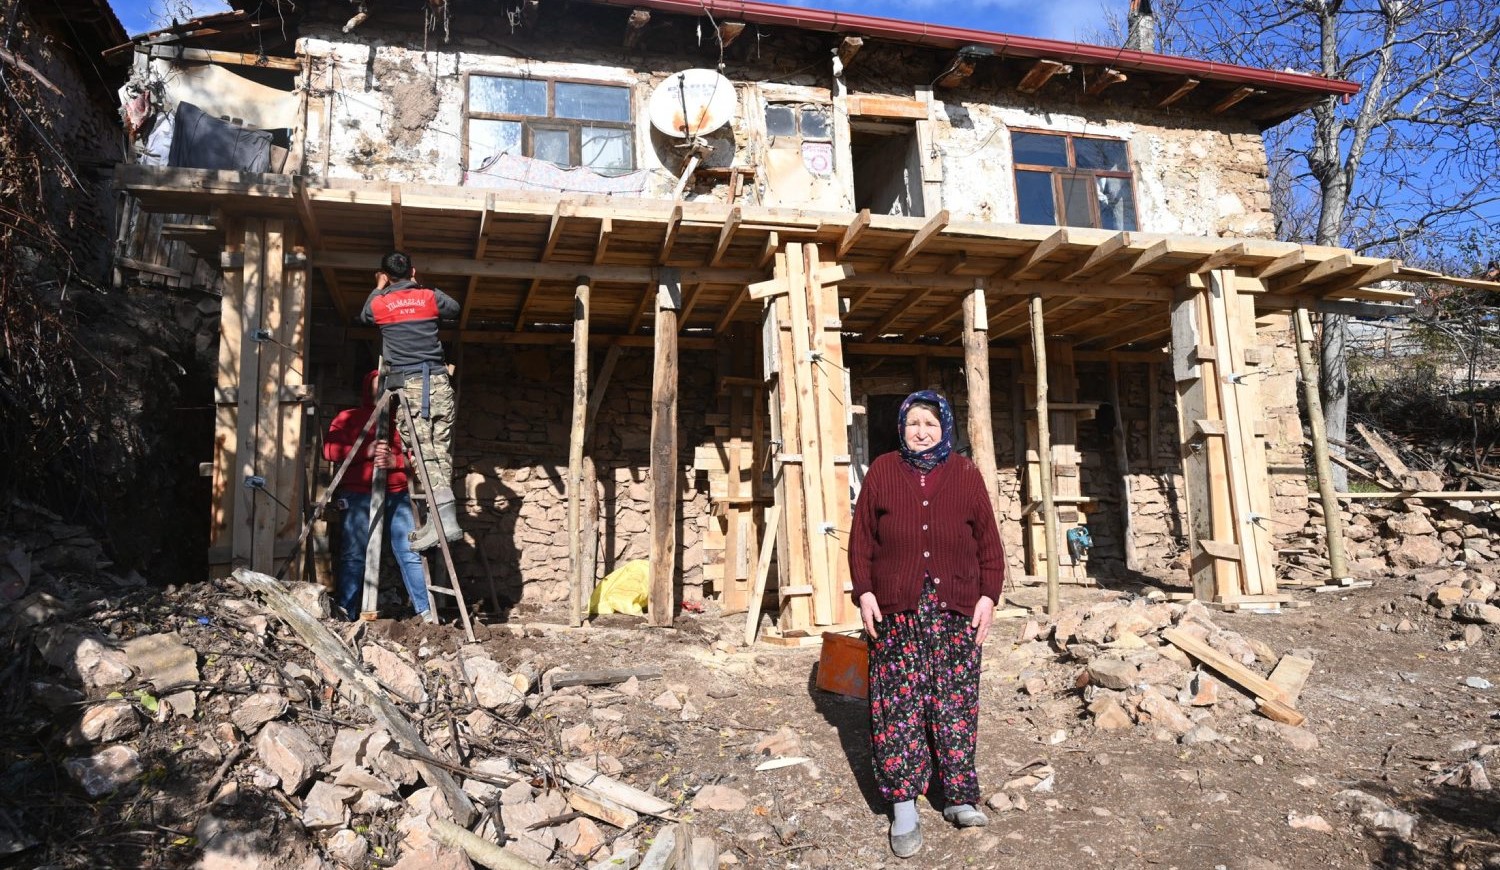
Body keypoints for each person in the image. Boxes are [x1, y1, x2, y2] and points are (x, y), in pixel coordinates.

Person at [848, 390, 1006, 859]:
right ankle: (903, 807)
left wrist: (987, 597)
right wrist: (866, 592)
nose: (922, 431)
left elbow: (988, 543)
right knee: (897, 706)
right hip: (896, 608)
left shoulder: (964, 473)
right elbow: (861, 541)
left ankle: (958, 796)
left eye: (930, 424)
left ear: (945, 429)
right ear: (902, 427)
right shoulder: (882, 471)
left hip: (955, 606)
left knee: (955, 701)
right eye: (914, 423)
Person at [359, 251, 464, 551]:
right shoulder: (428, 297)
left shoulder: (380, 302)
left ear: (386, 274)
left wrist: (379, 287)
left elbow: (365, 314)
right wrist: (420, 287)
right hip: (440, 384)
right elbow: (454, 307)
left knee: (422, 452)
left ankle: (445, 518)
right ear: (413, 271)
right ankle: (438, 519)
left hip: (413, 387)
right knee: (438, 451)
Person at [323, 371, 436, 623]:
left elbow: (422, 456)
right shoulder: (348, 418)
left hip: (397, 494)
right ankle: (347, 612)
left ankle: (426, 612)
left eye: (386, 385)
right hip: (358, 494)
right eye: (377, 386)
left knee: (410, 552)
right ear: (367, 389)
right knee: (353, 554)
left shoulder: (404, 420)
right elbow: (330, 450)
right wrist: (367, 449)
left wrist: (396, 460)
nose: (382, 390)